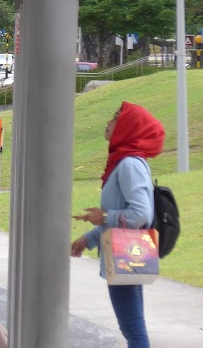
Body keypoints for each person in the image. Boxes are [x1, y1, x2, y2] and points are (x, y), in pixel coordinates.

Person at [70, 101, 164, 348]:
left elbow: (140, 214)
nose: (108, 123)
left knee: (133, 330)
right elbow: (117, 217)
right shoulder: (123, 162)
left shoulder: (130, 164)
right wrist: (87, 240)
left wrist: (105, 217)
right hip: (123, 254)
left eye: (115, 118)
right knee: (132, 327)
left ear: (127, 127)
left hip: (127, 256)